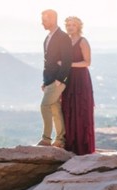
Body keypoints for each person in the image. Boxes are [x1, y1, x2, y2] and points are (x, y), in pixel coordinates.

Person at [37, 9, 72, 148]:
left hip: (58, 80)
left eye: (44, 20)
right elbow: (47, 62)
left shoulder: (63, 37)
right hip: (49, 80)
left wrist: (60, 79)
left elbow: (67, 60)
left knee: (44, 106)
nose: (42, 23)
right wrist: (45, 82)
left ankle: (46, 139)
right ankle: (60, 140)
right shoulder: (48, 37)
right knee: (55, 108)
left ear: (52, 19)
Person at [60, 16, 96, 155]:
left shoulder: (83, 41)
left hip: (81, 79)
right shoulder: (66, 41)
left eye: (73, 25)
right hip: (69, 79)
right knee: (68, 109)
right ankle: (70, 144)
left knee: (81, 110)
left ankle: (83, 147)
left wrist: (69, 65)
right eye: (68, 24)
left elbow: (87, 62)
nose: (70, 27)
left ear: (78, 26)